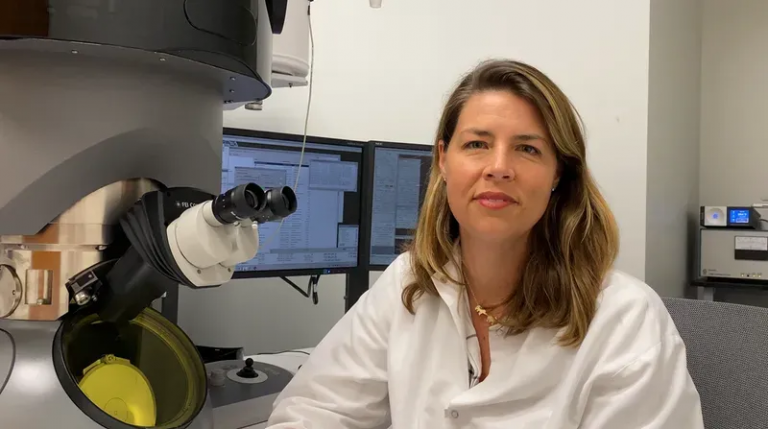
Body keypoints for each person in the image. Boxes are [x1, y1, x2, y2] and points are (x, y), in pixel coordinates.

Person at [266, 59, 704, 428]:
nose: (498, 167)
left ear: (558, 174)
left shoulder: (624, 319)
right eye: (477, 143)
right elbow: (312, 409)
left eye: (528, 149)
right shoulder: (409, 283)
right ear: (443, 160)